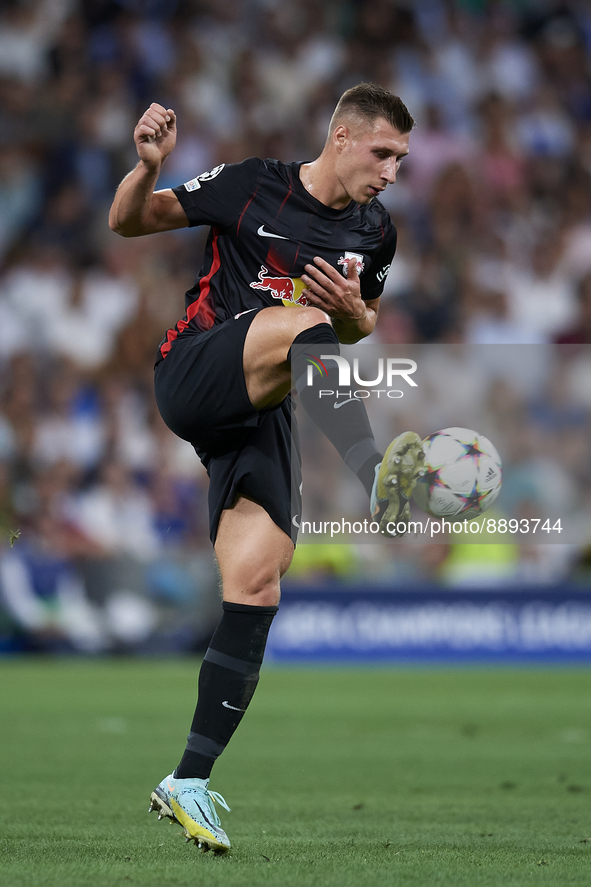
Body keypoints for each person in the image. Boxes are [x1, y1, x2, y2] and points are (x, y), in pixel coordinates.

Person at [109, 82, 424, 853]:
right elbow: (128, 222)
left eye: (401, 159)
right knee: (305, 321)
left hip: (261, 405)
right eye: (382, 152)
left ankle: (187, 779)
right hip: (194, 370)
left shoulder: (375, 233)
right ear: (342, 137)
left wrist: (356, 319)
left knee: (258, 579)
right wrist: (146, 167)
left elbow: (356, 326)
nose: (390, 171)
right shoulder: (253, 184)